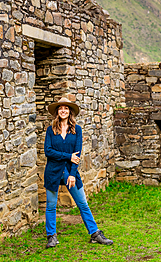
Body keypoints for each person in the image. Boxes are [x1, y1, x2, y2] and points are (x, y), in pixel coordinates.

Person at [44, 97, 113, 248]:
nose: (63, 110)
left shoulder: (77, 130)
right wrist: (68, 156)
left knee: (82, 203)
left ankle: (95, 233)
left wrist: (72, 174)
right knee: (51, 205)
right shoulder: (51, 130)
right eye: (61, 108)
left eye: (66, 108)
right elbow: (48, 151)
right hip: (52, 172)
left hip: (70, 172)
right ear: (57, 112)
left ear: (70, 112)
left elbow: (77, 154)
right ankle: (52, 236)